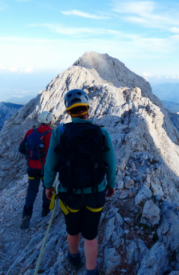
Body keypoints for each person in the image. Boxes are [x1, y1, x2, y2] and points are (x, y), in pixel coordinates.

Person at [44, 89, 116, 275]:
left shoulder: (59, 132)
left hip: (69, 194)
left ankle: (74, 258)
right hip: (96, 193)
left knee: (73, 230)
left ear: (69, 111)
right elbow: (110, 164)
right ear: (88, 109)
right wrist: (111, 185)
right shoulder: (101, 132)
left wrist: (48, 186)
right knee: (91, 236)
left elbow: (50, 163)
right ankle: (91, 271)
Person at [18, 111, 53, 229]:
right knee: (46, 187)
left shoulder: (30, 132)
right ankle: (45, 210)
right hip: (45, 168)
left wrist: (29, 157)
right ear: (50, 121)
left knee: (32, 190)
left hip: (32, 167)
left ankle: (26, 215)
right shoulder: (50, 133)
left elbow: (21, 148)